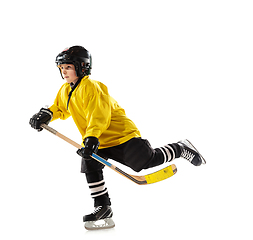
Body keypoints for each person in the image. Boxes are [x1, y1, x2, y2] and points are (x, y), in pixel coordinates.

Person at [29, 46, 206, 230]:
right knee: (90, 165)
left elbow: (99, 116)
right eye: (61, 68)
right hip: (99, 139)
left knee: (145, 161)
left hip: (121, 136)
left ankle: (180, 148)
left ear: (82, 67)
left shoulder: (92, 87)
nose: (63, 71)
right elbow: (60, 108)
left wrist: (90, 139)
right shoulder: (66, 90)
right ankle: (103, 206)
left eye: (68, 67)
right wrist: (46, 114)